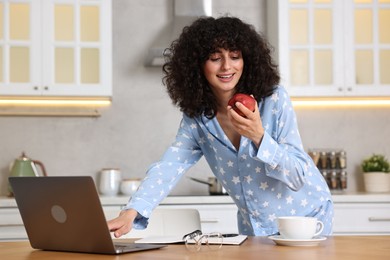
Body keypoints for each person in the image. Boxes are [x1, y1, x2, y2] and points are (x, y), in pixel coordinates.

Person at [108, 16, 334, 237]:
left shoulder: (273, 100)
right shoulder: (197, 117)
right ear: (198, 65)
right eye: (215, 58)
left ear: (246, 60)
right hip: (255, 226)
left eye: (235, 56)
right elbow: (169, 165)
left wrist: (259, 136)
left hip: (305, 221)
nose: (227, 66)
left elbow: (298, 176)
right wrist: (132, 211)